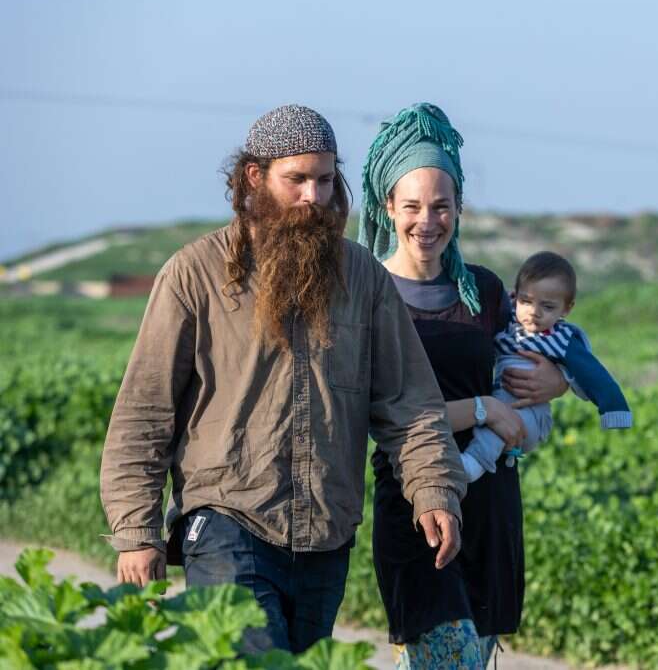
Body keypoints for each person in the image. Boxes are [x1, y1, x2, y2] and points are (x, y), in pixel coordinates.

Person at [99, 104, 467, 654]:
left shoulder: (362, 277)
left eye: (325, 180)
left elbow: (409, 401)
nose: (314, 197)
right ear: (255, 178)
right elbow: (145, 412)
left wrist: (434, 489)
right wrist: (136, 532)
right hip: (226, 521)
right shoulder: (195, 274)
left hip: (326, 534)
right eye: (296, 179)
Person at [359, 102, 570, 669]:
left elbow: (526, 365)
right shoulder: (369, 291)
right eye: (412, 206)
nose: (427, 222)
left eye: (441, 206)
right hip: (413, 502)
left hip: (490, 503)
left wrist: (556, 382)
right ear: (387, 207)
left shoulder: (484, 289)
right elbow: (380, 414)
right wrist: (482, 410)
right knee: (446, 655)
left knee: (468, 659)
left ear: (459, 208)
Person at [460, 250, 632, 481]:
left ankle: (471, 466)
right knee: (490, 422)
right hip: (500, 402)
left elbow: (592, 374)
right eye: (526, 301)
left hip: (532, 414)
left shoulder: (560, 338)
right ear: (516, 296)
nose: (534, 312)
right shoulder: (508, 321)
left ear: (567, 309)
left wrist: (613, 409)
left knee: (494, 430)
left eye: (548, 307)